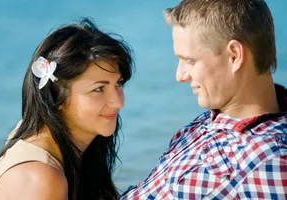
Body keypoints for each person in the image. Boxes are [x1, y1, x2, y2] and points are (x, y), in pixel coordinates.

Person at [120, 0, 287, 199]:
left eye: (189, 61)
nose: (180, 76)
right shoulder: (214, 116)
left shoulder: (271, 161)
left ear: (234, 56)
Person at [0, 17, 134, 200]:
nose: (118, 102)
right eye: (98, 89)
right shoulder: (40, 178)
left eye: (118, 84)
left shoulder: (65, 145)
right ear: (57, 97)